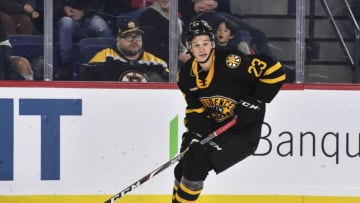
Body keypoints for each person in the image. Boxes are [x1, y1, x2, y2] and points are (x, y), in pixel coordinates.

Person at [172, 20, 286, 202]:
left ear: (213, 44)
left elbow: (275, 70)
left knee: (197, 162)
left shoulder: (231, 62)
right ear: (189, 48)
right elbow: (195, 109)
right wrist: (195, 134)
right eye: (196, 45)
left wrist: (254, 101)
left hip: (242, 130)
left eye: (205, 43)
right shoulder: (186, 75)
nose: (202, 49)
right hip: (214, 126)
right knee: (184, 164)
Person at [78, 19, 169, 82]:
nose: (134, 41)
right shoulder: (105, 57)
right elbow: (85, 81)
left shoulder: (156, 63)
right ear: (118, 39)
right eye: (128, 37)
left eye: (137, 36)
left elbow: (175, 86)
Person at [56, 0, 114, 80]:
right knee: (66, 23)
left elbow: (100, 5)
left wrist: (83, 12)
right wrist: (63, 8)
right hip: (68, 20)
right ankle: (65, 64)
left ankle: (112, 61)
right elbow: (49, 6)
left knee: (100, 25)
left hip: (88, 18)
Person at [137, 0, 191, 65]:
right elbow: (151, 46)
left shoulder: (178, 17)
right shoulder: (148, 16)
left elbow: (182, 44)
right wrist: (178, 55)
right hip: (157, 64)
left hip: (179, 58)